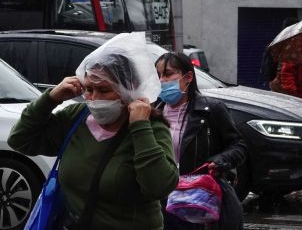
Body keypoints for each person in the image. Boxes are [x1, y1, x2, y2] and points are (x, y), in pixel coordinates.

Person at [7, 33, 179, 230]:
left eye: (104, 90)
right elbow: (19, 140)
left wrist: (140, 127)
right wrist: (50, 99)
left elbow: (160, 186)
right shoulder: (75, 118)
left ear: (128, 90)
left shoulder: (151, 127)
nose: (94, 98)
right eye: (88, 89)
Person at [154, 52, 247, 230]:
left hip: (198, 200)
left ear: (188, 77)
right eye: (158, 75)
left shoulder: (211, 110)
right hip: (163, 202)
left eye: (168, 74)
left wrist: (219, 161)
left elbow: (238, 145)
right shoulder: (152, 112)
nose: (162, 80)